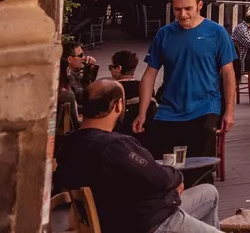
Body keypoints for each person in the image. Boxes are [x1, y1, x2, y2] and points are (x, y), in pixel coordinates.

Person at [55, 81, 222, 233]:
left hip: (115, 220)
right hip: (148, 223)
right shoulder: (114, 146)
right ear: (118, 105)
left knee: (209, 192)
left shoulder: (69, 144)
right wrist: (176, 178)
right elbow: (158, 177)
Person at [134, 0, 237, 187]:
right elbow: (149, 75)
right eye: (177, 9)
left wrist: (230, 112)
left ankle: (203, 212)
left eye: (188, 8)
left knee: (201, 173)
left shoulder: (216, 33)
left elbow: (228, 73)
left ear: (200, 6)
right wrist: (142, 112)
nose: (182, 14)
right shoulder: (164, 34)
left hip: (205, 108)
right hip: (169, 110)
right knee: (167, 172)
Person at [108, 49, 146, 136]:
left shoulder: (111, 89)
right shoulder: (145, 88)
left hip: (118, 135)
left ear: (118, 68)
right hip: (143, 132)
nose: (110, 70)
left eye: (111, 67)